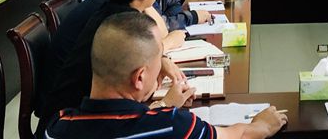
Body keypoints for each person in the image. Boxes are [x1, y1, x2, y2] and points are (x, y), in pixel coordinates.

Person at [45, 12, 287, 139]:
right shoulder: (171, 125)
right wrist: (262, 125)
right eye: (158, 64)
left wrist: (162, 105)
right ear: (140, 78)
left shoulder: (55, 128)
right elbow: (238, 135)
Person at [38, 0, 185, 137]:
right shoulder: (122, 26)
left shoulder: (110, 6)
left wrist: (160, 59)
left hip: (67, 116)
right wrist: (164, 105)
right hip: (71, 126)